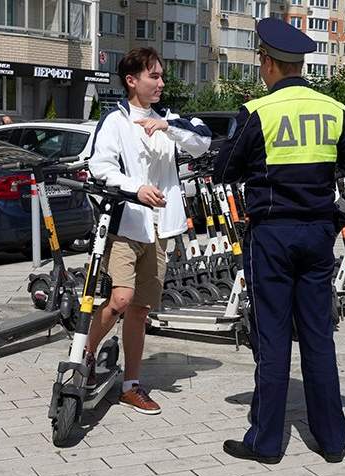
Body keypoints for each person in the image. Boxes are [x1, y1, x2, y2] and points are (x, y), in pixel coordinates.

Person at [214, 18, 345, 464]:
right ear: (300, 64)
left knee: (272, 337)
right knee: (319, 336)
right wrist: (336, 219)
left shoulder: (258, 112)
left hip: (271, 236)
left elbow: (224, 172)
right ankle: (332, 441)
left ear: (267, 63)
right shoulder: (334, 109)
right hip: (317, 235)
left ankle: (266, 443)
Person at [85, 47, 211, 415]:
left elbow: (202, 141)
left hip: (160, 229)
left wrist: (167, 126)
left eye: (161, 76)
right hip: (126, 225)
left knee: (140, 310)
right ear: (131, 80)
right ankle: (86, 354)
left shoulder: (168, 118)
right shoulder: (115, 121)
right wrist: (134, 189)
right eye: (153, 76)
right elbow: (100, 167)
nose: (160, 82)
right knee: (120, 299)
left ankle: (131, 384)